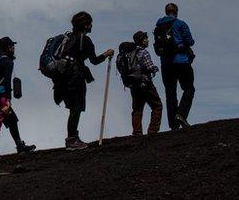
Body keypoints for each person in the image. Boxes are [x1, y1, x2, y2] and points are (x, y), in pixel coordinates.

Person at [53, 11, 114, 150]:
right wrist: (107, 54)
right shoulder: (85, 40)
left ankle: (73, 137)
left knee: (73, 109)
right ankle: (72, 140)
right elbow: (94, 61)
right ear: (85, 25)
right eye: (90, 23)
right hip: (76, 78)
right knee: (76, 108)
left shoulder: (68, 38)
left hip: (63, 79)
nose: (92, 26)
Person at [0, 37, 36, 160]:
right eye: (12, 45)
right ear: (8, 47)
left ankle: (20, 146)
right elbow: (6, 81)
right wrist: (8, 98)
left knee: (12, 120)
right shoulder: (7, 61)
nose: (14, 48)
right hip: (0, 96)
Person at [156, 3, 195, 129]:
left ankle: (173, 125)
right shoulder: (180, 24)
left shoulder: (158, 26)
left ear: (166, 11)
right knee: (189, 88)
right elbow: (190, 41)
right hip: (181, 61)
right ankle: (181, 114)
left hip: (165, 64)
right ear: (176, 11)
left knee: (170, 93)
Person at [127, 31, 163, 135]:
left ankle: (137, 132)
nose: (147, 40)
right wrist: (155, 68)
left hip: (134, 85)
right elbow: (150, 67)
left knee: (137, 109)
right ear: (141, 40)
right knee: (157, 106)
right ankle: (153, 131)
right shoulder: (144, 52)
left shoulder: (130, 54)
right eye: (145, 38)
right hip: (145, 83)